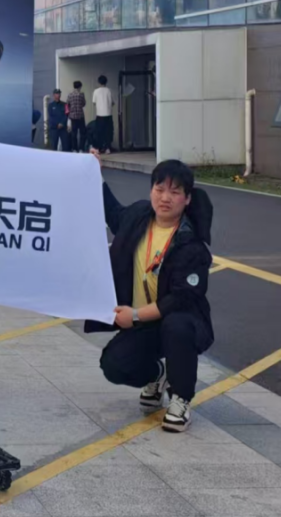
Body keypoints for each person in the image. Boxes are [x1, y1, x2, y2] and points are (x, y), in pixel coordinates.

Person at [86, 157, 213, 433]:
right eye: (159, 188)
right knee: (113, 366)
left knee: (177, 325)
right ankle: (158, 375)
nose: (165, 198)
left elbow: (180, 298)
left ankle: (181, 399)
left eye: (175, 192)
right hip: (146, 323)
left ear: (187, 199)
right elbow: (113, 213)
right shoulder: (139, 217)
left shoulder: (191, 244)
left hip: (184, 322)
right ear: (151, 190)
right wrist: (95, 174)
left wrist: (134, 315)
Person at [92, 75, 114, 153]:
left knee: (99, 132)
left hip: (99, 114)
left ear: (99, 82)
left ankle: (98, 148)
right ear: (106, 82)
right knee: (108, 132)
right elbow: (112, 102)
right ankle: (107, 148)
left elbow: (94, 102)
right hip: (108, 114)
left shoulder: (96, 91)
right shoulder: (109, 90)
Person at [67, 81, 87, 152]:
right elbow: (84, 104)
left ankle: (74, 149)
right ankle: (81, 148)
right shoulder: (81, 94)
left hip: (73, 116)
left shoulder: (70, 95)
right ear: (80, 87)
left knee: (74, 133)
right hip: (80, 116)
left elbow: (68, 103)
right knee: (82, 133)